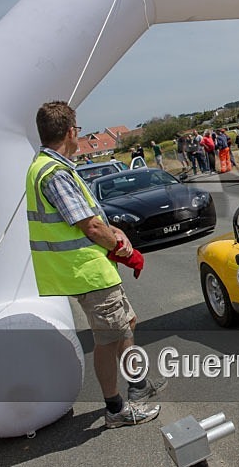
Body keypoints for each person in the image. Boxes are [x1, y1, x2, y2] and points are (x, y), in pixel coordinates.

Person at [26, 101, 164, 429]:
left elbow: (91, 218)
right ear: (71, 132)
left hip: (90, 268)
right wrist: (121, 247)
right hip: (86, 270)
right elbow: (89, 226)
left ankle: (138, 386)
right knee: (107, 339)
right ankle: (116, 408)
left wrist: (113, 232)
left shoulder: (51, 165)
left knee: (126, 322)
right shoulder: (54, 172)